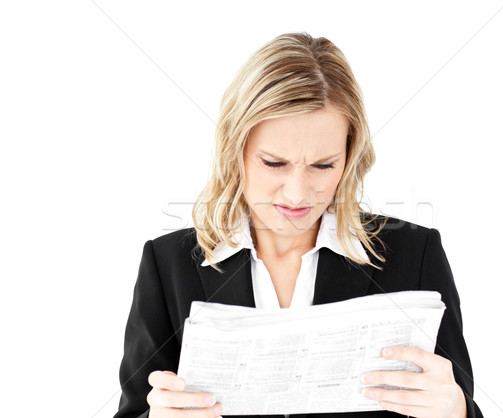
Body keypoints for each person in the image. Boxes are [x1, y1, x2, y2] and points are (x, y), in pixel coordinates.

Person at [114, 32, 484, 418]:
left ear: (350, 155)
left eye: (323, 165)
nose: (297, 194)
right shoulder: (168, 263)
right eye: (274, 163)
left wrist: (457, 410)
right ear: (234, 151)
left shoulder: (414, 254)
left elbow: (460, 401)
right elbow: (134, 410)